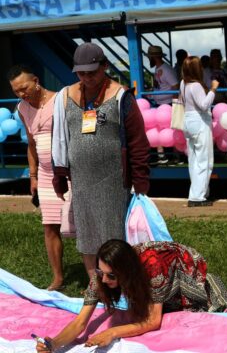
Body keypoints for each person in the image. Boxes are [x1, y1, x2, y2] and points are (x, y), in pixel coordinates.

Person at [51, 42, 150, 279]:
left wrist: (141, 181)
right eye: (81, 73)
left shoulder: (121, 96)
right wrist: (60, 174)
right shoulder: (65, 96)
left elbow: (137, 141)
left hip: (114, 181)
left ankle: (120, 282)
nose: (87, 78)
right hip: (82, 180)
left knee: (113, 233)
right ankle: (95, 286)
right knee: (87, 233)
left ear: (104, 66)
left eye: (92, 72)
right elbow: (59, 138)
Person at [34, 239, 227, 352]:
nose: (103, 280)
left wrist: (112, 332)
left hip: (185, 269)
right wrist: (54, 344)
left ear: (125, 272)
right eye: (101, 273)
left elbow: (153, 321)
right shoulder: (102, 274)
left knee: (197, 311)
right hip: (150, 278)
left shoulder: (154, 266)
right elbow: (80, 323)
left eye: (111, 276)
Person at [8, 65, 67, 291]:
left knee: (82, 224)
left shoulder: (60, 100)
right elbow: (31, 144)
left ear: (36, 80)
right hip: (44, 175)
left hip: (68, 171)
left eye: (24, 88)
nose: (22, 94)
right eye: (16, 91)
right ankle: (58, 278)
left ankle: (95, 276)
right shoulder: (22, 108)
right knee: (49, 226)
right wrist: (32, 176)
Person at [180, 56, 219, 207]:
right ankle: (198, 196)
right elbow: (204, 105)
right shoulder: (195, 85)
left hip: (188, 120)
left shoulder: (184, 84)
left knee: (194, 160)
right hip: (200, 121)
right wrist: (213, 89)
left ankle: (196, 193)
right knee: (205, 160)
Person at [147, 45, 179, 166]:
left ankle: (173, 157)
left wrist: (175, 106)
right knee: (163, 130)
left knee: (168, 131)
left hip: (167, 104)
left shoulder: (166, 69)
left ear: (153, 57)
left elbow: (175, 86)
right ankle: (167, 156)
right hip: (162, 104)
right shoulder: (159, 68)